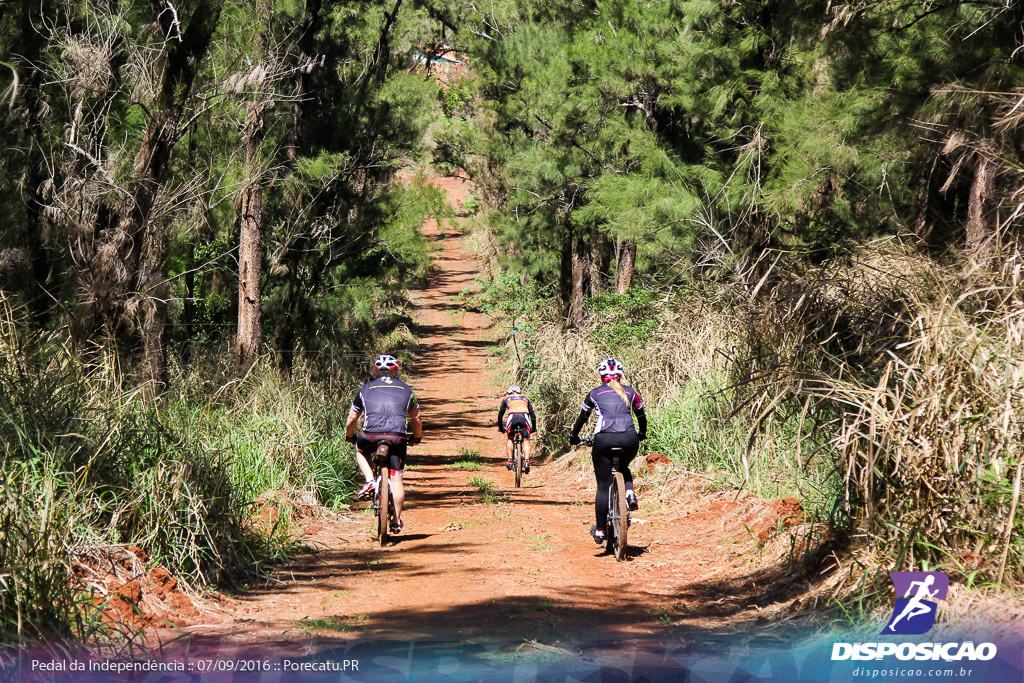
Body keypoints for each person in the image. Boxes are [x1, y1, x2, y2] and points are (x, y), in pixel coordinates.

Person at [568, 358, 647, 544]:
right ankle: (629, 493)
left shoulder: (595, 393)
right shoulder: (631, 392)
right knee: (624, 465)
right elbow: (641, 416)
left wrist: (573, 436)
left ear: (601, 375)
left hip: (604, 440)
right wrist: (641, 433)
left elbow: (582, 418)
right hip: (629, 438)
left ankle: (601, 530)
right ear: (620, 375)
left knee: (603, 486)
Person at [345, 354, 422, 534]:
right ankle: (396, 522)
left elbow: (352, 418)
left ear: (375, 371)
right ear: (397, 371)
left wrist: (350, 435)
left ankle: (370, 480)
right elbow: (416, 419)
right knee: (396, 479)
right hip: (397, 437)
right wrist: (416, 437)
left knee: (360, 449)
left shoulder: (365, 389)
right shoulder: (407, 390)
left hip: (370, 435)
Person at [497, 385, 537, 473]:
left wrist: (501, 427)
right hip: (524, 417)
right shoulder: (525, 398)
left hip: (513, 417)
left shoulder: (506, 398)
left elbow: (500, 414)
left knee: (510, 438)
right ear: (520, 392)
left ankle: (510, 461)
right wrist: (534, 428)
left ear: (509, 392)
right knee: (526, 440)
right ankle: (526, 462)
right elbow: (533, 415)